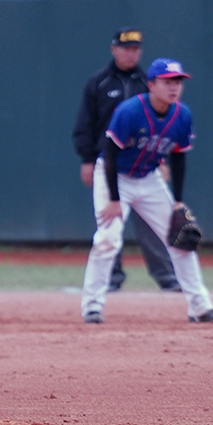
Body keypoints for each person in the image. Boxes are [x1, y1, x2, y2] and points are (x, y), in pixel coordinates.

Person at [79, 57, 213, 324]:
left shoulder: (182, 115)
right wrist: (114, 200)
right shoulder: (129, 111)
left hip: (149, 179)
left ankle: (201, 307)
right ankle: (92, 306)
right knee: (108, 239)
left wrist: (178, 202)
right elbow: (111, 155)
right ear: (151, 85)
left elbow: (179, 157)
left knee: (181, 240)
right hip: (114, 176)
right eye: (167, 82)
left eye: (178, 82)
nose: (174, 87)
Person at [73, 28, 180, 293]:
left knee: (153, 226)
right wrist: (87, 159)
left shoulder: (149, 83)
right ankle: (111, 278)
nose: (131, 53)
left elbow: (164, 126)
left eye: (135, 49)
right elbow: (86, 123)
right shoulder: (98, 82)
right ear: (114, 49)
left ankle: (166, 276)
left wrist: (163, 159)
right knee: (110, 225)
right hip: (108, 164)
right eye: (125, 48)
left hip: (145, 165)